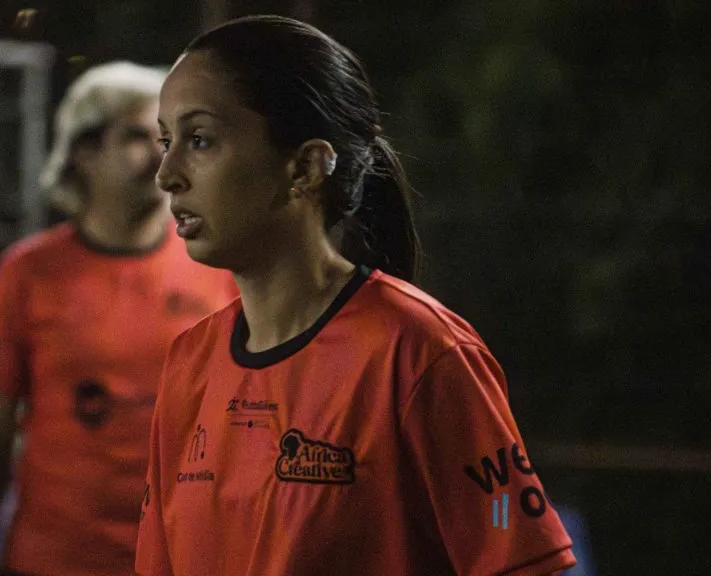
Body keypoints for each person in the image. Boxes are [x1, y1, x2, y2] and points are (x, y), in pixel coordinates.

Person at [135, 15, 577, 576]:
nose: (167, 174)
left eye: (199, 140)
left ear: (305, 167)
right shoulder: (189, 363)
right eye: (166, 140)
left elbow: (519, 561)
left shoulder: (419, 353)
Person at [0, 61, 237, 576]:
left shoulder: (218, 266)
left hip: (184, 559)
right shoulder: (29, 273)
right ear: (84, 152)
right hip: (54, 560)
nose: (160, 155)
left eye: (169, 137)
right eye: (137, 136)